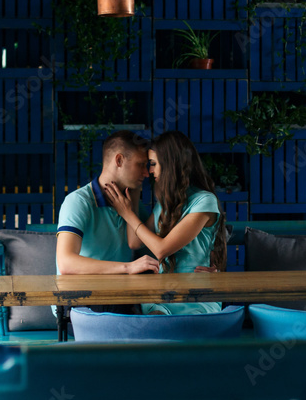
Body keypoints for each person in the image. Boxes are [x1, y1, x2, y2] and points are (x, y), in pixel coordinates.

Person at [104, 130, 228, 315]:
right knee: (156, 322)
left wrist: (127, 213)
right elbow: (135, 242)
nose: (149, 171)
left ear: (171, 164)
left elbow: (161, 250)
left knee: (167, 326)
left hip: (195, 292)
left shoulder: (204, 201)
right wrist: (135, 192)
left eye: (153, 164)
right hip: (163, 291)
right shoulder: (166, 204)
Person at [55, 131, 160, 315]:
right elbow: (66, 263)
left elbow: (151, 254)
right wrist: (128, 268)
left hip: (118, 299)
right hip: (79, 303)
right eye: (141, 165)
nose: (147, 172)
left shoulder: (130, 204)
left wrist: (197, 267)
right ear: (118, 160)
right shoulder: (79, 202)